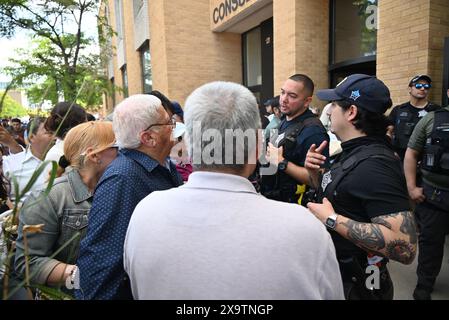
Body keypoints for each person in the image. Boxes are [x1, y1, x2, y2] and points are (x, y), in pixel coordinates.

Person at [123, 81, 344, 300]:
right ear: (258, 146)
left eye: (292, 95)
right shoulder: (305, 229)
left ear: (189, 144)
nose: (285, 99)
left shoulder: (145, 213)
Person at [305, 74, 417, 300]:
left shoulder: (375, 164)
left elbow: (405, 247)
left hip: (361, 285)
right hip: (341, 276)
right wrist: (314, 174)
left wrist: (332, 220)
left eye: (334, 104)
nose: (329, 110)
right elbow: (342, 199)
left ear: (352, 112)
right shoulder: (351, 151)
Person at [76, 94, 182, 300]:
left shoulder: (161, 167)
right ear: (148, 138)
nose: (175, 125)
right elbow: (102, 260)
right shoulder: (122, 179)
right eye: (169, 122)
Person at [14, 121, 117, 293]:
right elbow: (27, 262)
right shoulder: (47, 198)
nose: (124, 155)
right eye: (117, 148)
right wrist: (82, 276)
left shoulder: (116, 188)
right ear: (94, 156)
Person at [404, 88, 449, 300]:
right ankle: (424, 284)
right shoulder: (432, 119)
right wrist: (412, 187)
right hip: (434, 196)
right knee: (431, 243)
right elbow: (412, 153)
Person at [263, 74, 329, 205]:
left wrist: (282, 162)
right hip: (273, 199)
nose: (283, 99)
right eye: (282, 93)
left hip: (294, 206)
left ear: (307, 101)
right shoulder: (284, 120)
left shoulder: (313, 131)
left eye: (292, 96)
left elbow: (319, 180)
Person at [388, 75, 440, 161]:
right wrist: (390, 151)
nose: (423, 89)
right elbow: (388, 132)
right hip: (399, 157)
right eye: (418, 86)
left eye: (426, 86)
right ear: (409, 89)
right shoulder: (398, 110)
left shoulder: (436, 110)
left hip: (425, 159)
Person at [2, 117, 54, 203]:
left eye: (56, 132)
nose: (55, 137)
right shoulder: (10, 164)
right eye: (49, 133)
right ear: (32, 137)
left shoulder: (63, 161)